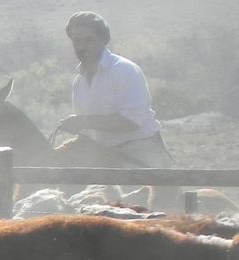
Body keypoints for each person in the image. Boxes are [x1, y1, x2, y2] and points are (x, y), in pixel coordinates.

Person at [55, 11, 172, 168]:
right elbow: (86, 134)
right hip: (105, 155)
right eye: (77, 41)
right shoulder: (79, 82)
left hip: (141, 152)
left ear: (103, 39)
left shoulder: (124, 70)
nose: (82, 46)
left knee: (119, 190)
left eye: (89, 40)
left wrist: (83, 122)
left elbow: (132, 121)